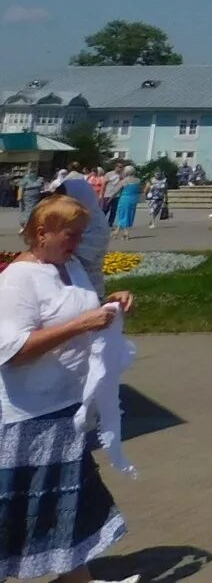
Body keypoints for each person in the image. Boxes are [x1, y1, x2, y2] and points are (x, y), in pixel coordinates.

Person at [0, 194, 139, 583]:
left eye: (80, 235)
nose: (78, 243)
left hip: (67, 407)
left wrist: (111, 305)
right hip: (27, 416)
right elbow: (12, 352)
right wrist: (81, 326)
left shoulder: (70, 265)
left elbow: (79, 309)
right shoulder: (17, 279)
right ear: (41, 234)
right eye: (71, 235)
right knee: (16, 511)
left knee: (67, 504)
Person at [54, 177, 111, 297]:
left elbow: (79, 258)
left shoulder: (95, 225)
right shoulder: (79, 219)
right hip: (69, 287)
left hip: (87, 288)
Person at [110, 167, 142, 242]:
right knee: (128, 214)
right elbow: (139, 190)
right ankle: (117, 231)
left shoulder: (125, 181)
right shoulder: (138, 180)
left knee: (123, 214)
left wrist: (110, 198)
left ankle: (126, 233)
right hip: (133, 199)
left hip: (125, 198)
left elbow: (116, 191)